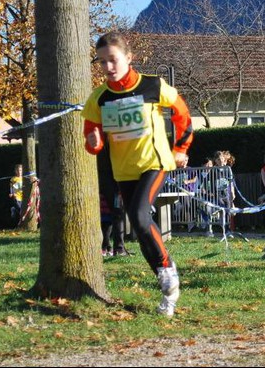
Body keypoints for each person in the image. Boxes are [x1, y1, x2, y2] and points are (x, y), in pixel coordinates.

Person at [82, 31, 193, 317]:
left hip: (154, 163)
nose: (108, 67)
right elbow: (91, 132)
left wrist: (181, 148)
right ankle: (166, 287)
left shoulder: (153, 85)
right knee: (139, 227)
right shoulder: (99, 97)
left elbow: (182, 114)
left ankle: (168, 271)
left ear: (129, 58)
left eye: (113, 60)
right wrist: (93, 142)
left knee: (142, 218)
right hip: (124, 170)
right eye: (102, 62)